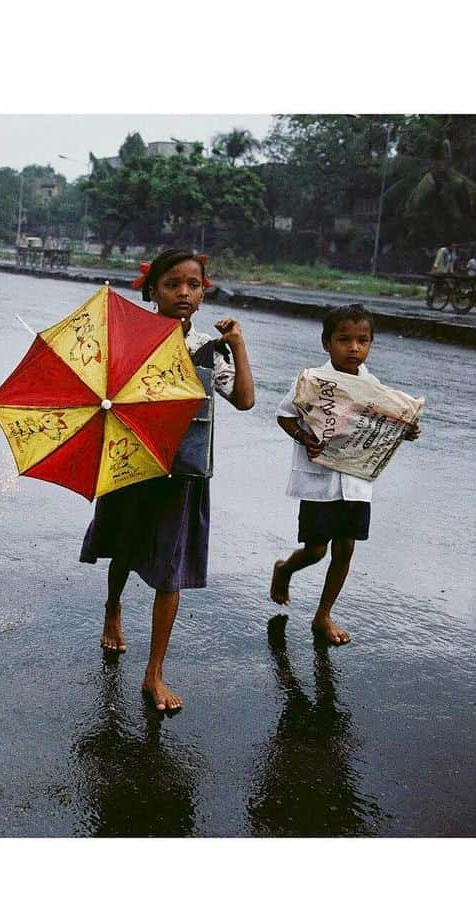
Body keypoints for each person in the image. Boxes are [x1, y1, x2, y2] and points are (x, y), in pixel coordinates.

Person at [79, 250, 256, 712]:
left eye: (193, 285)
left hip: (183, 473)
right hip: (133, 466)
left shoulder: (206, 348)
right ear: (152, 290)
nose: (183, 293)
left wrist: (237, 346)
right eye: (172, 284)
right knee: (123, 546)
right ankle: (113, 607)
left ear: (203, 291)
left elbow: (245, 401)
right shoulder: (130, 337)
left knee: (170, 571)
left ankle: (154, 672)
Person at [270, 305, 419, 645]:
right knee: (317, 550)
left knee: (346, 548)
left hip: (355, 483)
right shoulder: (311, 381)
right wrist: (303, 436)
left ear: (370, 343)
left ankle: (323, 614)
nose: (354, 348)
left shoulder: (373, 386)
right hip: (321, 482)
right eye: (344, 340)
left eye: (362, 341)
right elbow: (284, 415)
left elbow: (385, 424)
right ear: (327, 343)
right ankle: (285, 569)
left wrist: (405, 431)